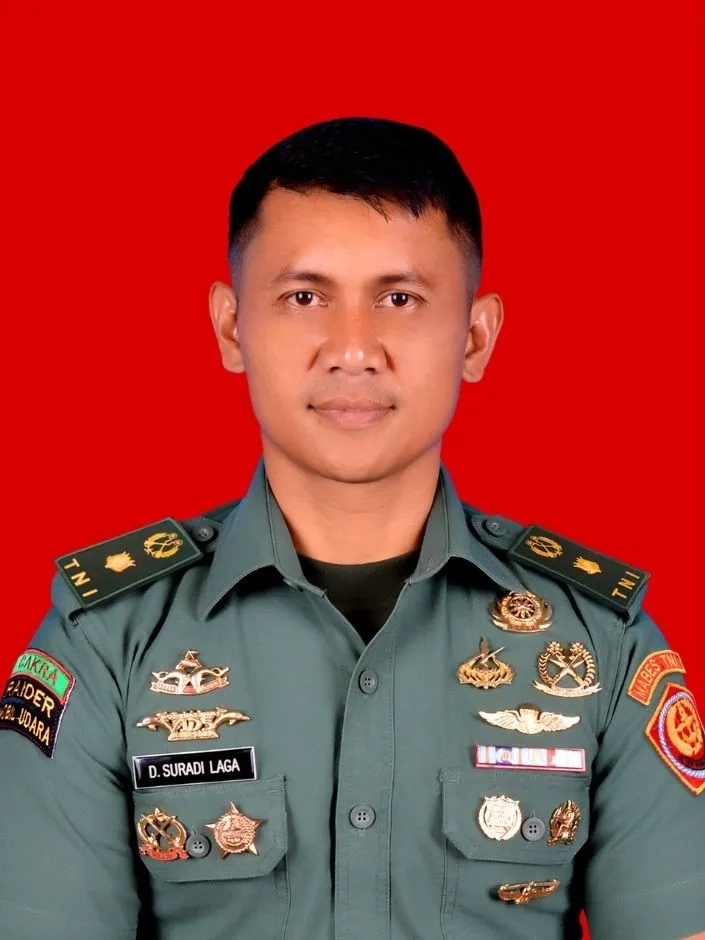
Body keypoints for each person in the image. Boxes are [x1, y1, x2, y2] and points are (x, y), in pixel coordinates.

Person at [0, 116, 703, 940]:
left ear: (474, 337)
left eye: (399, 299)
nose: (353, 349)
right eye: (304, 297)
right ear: (231, 327)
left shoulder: (600, 642)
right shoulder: (104, 641)